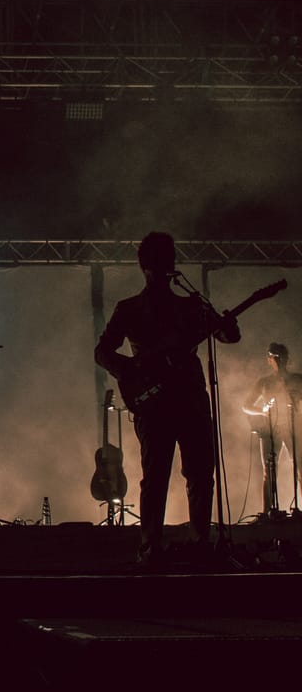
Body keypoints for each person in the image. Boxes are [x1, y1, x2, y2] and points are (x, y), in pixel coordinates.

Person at [94, 232, 241, 565]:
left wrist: (228, 324)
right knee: (156, 474)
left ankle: (201, 542)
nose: (166, 267)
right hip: (154, 402)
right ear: (146, 268)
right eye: (160, 261)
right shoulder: (129, 309)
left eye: (169, 260)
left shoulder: (191, 304)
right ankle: (151, 547)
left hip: (190, 398)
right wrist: (131, 371)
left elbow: (227, 335)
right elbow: (102, 352)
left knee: (201, 473)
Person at [242, 343, 302, 518]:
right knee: (269, 470)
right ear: (269, 360)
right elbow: (246, 405)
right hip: (270, 429)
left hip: (294, 427)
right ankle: (267, 511)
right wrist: (263, 410)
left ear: (287, 358)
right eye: (275, 356)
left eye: (281, 356)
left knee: (301, 467)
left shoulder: (298, 379)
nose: (279, 360)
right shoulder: (264, 382)